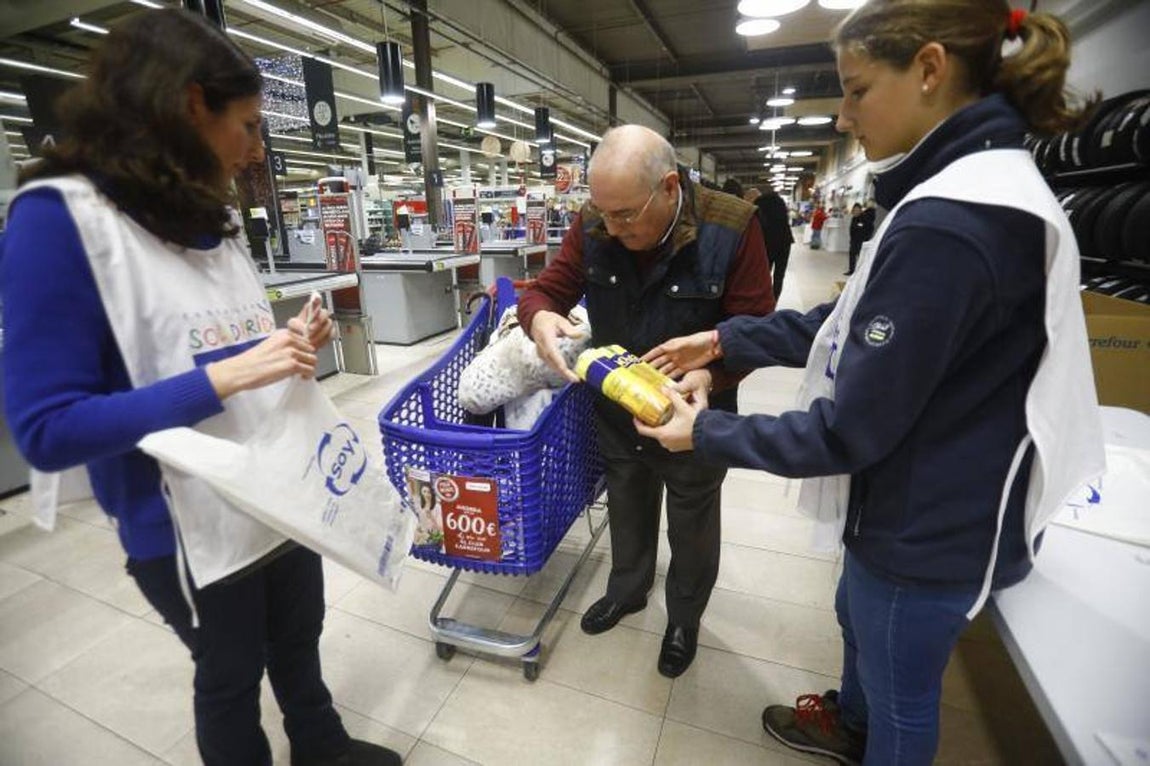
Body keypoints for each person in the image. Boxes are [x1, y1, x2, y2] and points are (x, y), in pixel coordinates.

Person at [635, 2, 1102, 763]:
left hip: (929, 522)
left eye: (856, 89)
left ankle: (871, 733)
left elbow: (847, 429)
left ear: (928, 69)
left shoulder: (954, 221)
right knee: (857, 617)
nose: (846, 116)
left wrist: (707, 430)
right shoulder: (962, 188)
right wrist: (722, 336)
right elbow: (850, 321)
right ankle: (850, 723)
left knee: (902, 695)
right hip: (920, 491)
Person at [0, 10, 401, 766]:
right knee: (228, 676)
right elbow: (47, 428)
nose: (256, 151)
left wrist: (282, 349)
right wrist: (222, 377)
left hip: (279, 480)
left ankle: (320, 745)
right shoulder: (57, 220)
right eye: (248, 127)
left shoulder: (202, 213)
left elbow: (210, 340)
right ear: (190, 106)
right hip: (186, 524)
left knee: (299, 635)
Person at [517, 125, 776, 678]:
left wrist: (714, 371)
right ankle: (628, 591)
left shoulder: (732, 227)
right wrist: (537, 314)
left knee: (692, 518)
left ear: (668, 186)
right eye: (603, 213)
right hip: (617, 410)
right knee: (628, 506)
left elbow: (756, 328)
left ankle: (684, 617)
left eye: (626, 215)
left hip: (694, 415)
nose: (611, 227)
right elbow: (547, 288)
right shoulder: (595, 221)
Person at [752, 186, 795, 299]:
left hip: (767, 241)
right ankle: (773, 301)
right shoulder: (780, 202)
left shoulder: (759, 203)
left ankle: (762, 300)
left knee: (764, 273)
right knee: (779, 276)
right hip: (785, 240)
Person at [846, 201, 875, 275]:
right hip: (854, 241)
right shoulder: (854, 218)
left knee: (861, 257)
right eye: (854, 210)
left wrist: (866, 239)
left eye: (857, 210)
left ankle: (861, 272)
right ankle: (851, 270)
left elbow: (869, 228)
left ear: (860, 210)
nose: (856, 211)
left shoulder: (864, 218)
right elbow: (852, 230)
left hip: (861, 241)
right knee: (852, 255)